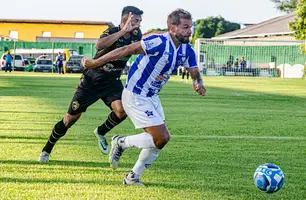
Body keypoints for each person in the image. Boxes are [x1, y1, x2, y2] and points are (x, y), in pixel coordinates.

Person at [83, 8, 206, 186]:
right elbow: (125, 49)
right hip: (135, 94)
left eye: (191, 27)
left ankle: (133, 177)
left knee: (159, 142)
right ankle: (121, 142)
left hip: (152, 97)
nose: (190, 31)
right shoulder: (158, 42)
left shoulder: (187, 50)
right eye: (185, 27)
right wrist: (95, 63)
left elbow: (194, 71)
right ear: (172, 28)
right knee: (162, 137)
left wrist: (198, 82)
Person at [39, 6, 144, 162]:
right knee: (69, 120)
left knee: (122, 111)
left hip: (112, 82)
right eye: (136, 20)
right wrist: (122, 31)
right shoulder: (111, 31)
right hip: (92, 81)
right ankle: (47, 149)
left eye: (140, 21)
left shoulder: (137, 35)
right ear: (125, 19)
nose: (139, 24)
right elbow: (99, 45)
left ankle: (100, 132)